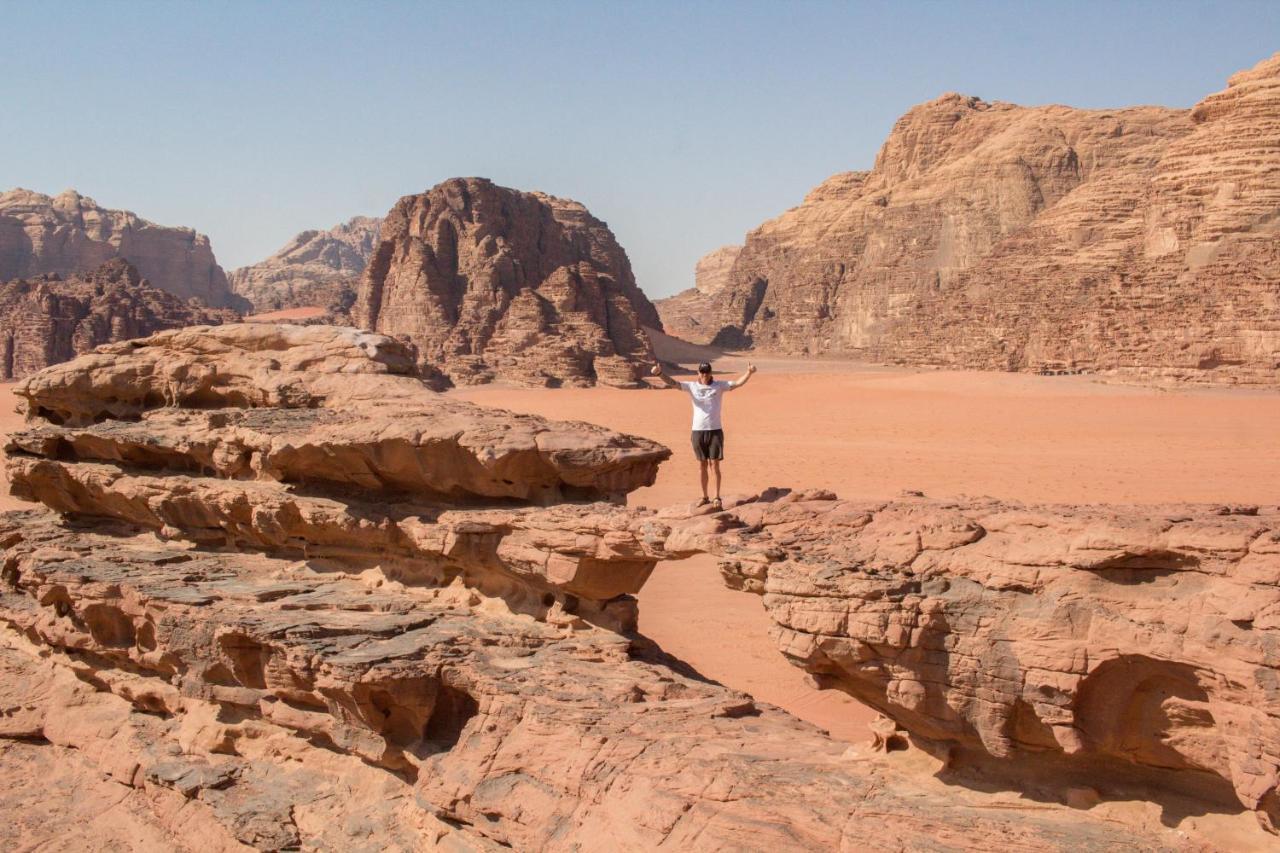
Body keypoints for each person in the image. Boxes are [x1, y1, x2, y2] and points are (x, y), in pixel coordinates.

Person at [650, 360, 757, 508]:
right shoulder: (692, 386)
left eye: (707, 372)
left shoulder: (719, 386)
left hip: (715, 431)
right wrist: (660, 374)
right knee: (702, 465)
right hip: (698, 431)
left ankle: (717, 497)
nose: (704, 375)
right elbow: (673, 383)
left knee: (715, 465)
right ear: (698, 373)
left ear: (710, 373)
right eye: (702, 372)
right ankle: (704, 496)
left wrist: (749, 373)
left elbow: (738, 383)